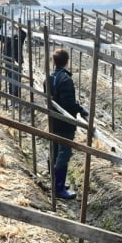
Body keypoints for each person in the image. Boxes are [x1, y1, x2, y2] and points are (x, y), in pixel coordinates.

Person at [48, 49, 89, 199]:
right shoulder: (65, 80)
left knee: (55, 149)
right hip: (64, 123)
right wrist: (81, 109)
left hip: (53, 119)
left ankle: (55, 182)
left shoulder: (50, 77)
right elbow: (68, 104)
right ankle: (58, 188)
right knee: (63, 154)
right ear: (67, 61)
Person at [0, 19, 26, 100]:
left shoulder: (19, 39)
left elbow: (24, 33)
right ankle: (12, 97)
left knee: (16, 80)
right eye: (10, 29)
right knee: (10, 80)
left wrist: (17, 26)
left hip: (17, 62)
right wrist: (0, 25)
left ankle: (16, 98)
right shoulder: (7, 39)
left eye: (13, 29)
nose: (11, 31)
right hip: (8, 61)